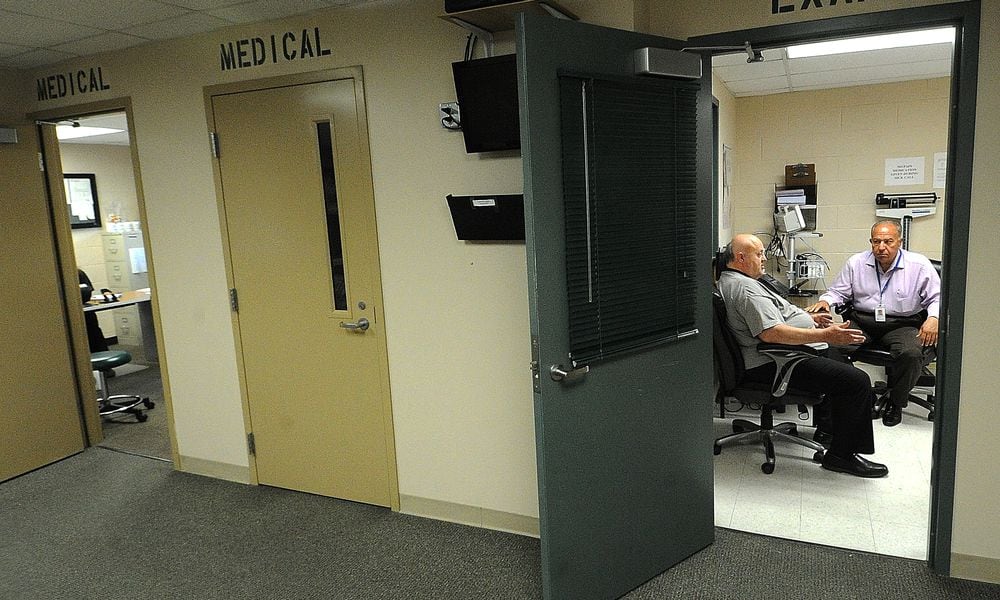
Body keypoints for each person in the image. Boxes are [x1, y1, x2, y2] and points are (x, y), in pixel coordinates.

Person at [717, 234, 888, 478]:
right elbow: (771, 333)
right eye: (759, 254)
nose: (764, 258)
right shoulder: (746, 290)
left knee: (839, 360)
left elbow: (776, 315)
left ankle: (829, 433)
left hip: (776, 356)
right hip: (773, 363)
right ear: (741, 258)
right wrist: (826, 335)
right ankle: (841, 456)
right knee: (856, 381)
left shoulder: (737, 279)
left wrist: (811, 320)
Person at [805, 220, 941, 427]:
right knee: (827, 345)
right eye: (876, 242)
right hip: (863, 321)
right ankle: (861, 394)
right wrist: (826, 301)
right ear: (871, 242)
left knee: (911, 354)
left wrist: (933, 318)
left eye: (888, 241)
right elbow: (838, 292)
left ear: (900, 242)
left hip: (902, 324)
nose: (881, 247)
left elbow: (937, 298)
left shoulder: (919, 265)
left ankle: (896, 402)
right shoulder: (856, 263)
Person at [79, 269, 110, 353]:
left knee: (94, 332)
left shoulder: (79, 273)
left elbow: (88, 293)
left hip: (86, 312)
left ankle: (102, 356)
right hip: (76, 313)